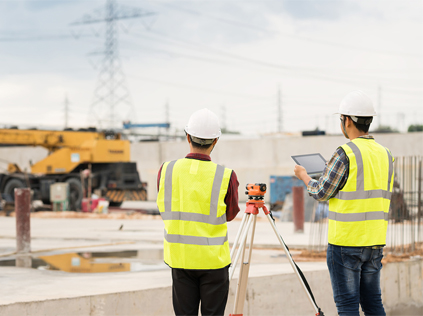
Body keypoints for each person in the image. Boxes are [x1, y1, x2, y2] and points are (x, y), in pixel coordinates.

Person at [294, 90, 394, 316]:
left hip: (346, 243)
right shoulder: (386, 154)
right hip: (375, 241)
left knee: (347, 306)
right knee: (373, 304)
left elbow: (321, 192)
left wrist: (304, 176)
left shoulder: (345, 153)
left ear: (347, 120)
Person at [156, 108, 240, 316]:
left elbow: (164, 208)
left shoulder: (166, 170)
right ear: (215, 141)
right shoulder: (226, 175)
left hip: (180, 260)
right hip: (213, 262)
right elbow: (230, 214)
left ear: (187, 137)